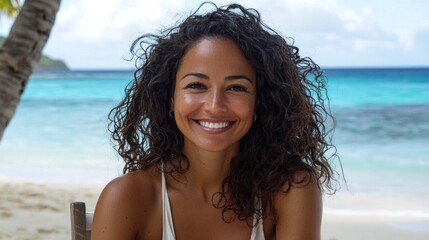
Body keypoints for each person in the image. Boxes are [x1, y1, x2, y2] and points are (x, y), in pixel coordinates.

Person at [92, 2, 337, 240]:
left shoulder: (289, 189)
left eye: (237, 88)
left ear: (259, 103)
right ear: (170, 99)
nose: (214, 106)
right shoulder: (129, 197)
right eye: (196, 85)